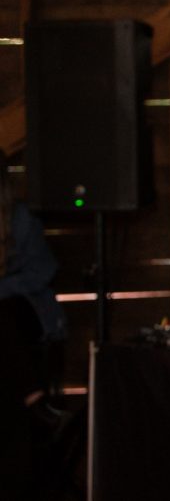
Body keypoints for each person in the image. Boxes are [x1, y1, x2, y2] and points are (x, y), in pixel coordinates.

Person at [0, 150, 68, 500]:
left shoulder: (18, 219)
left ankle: (35, 403)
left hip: (24, 312)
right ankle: (32, 406)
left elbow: (42, 271)